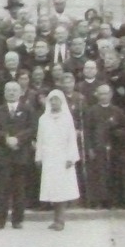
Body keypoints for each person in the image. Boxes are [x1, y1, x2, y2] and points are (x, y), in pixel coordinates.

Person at [0, 81, 35, 229]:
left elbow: (32, 128)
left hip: (21, 154)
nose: (11, 93)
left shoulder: (27, 109)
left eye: (14, 90)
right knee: (2, 189)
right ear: (4, 93)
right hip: (3, 154)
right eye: (8, 90)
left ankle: (17, 220)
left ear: (20, 92)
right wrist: (5, 138)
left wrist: (18, 139)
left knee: (19, 189)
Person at [36, 90, 80, 230]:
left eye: (57, 100)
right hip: (49, 158)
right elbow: (40, 139)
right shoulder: (43, 118)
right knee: (52, 189)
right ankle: (55, 219)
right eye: (52, 100)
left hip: (63, 157)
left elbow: (72, 139)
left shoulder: (67, 118)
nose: (54, 102)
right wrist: (39, 156)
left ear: (62, 101)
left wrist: (71, 157)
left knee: (62, 189)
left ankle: (60, 220)